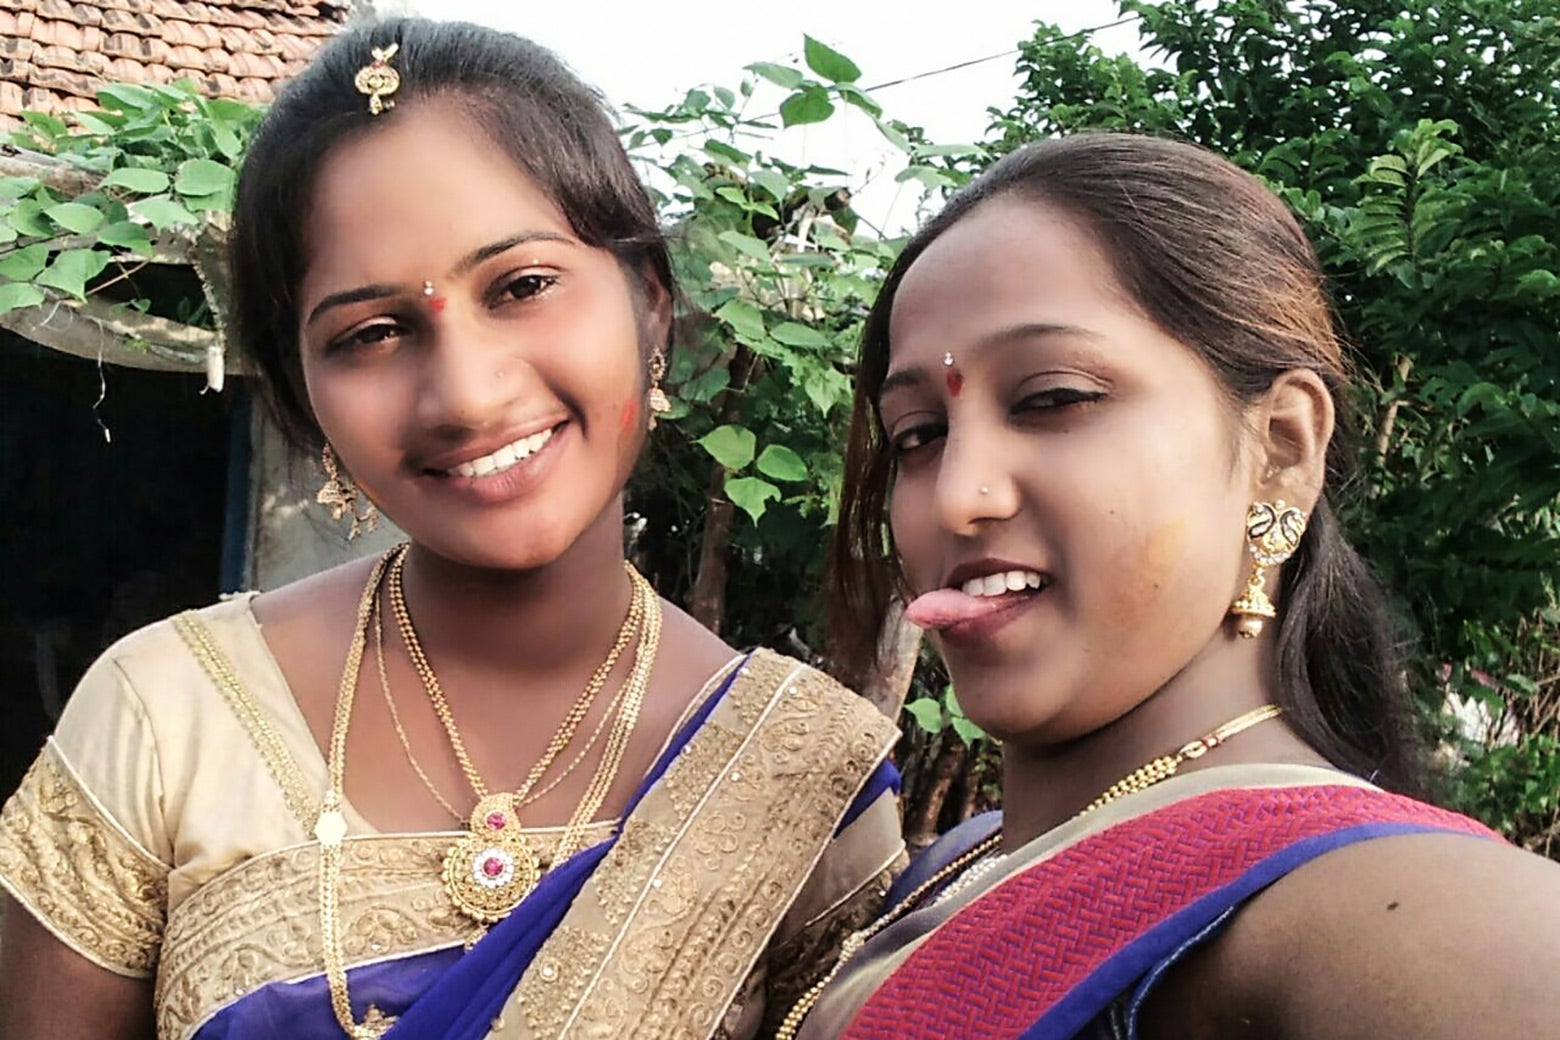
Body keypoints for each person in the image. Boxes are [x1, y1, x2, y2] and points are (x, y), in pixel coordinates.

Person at [0, 19, 904, 1040]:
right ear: (302, 394)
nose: (466, 396)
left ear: (651, 305)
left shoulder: (798, 778)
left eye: (522, 286)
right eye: (371, 333)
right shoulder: (164, 716)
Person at [798, 133, 1560, 1040]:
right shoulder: (959, 865)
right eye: (917, 433)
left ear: (1282, 448)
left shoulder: (1365, 903)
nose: (958, 497)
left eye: (1052, 398)